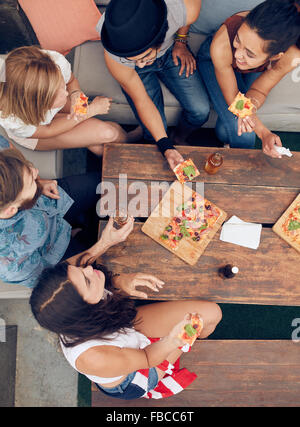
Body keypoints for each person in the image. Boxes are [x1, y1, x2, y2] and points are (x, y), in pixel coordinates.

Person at [29, 254, 222, 400]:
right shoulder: (94, 358)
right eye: (87, 280)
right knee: (206, 319)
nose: (88, 269)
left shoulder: (71, 294)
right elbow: (147, 358)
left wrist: (118, 281)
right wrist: (173, 341)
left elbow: (85, 268)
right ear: (82, 311)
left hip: (124, 328)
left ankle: (197, 335)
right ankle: (193, 339)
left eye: (80, 271)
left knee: (212, 314)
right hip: (135, 376)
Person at [0, 136, 134, 287]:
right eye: (30, 177)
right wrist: (104, 243)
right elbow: (52, 279)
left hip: (47, 198)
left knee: (112, 182)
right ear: (9, 211)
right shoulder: (8, 264)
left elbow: (8, 150)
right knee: (120, 265)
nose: (36, 170)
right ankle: (81, 234)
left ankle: (80, 230)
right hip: (56, 254)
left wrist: (37, 182)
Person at [97, 0, 210, 171]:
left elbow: (188, 17)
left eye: (145, 57)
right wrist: (166, 147)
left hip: (170, 52)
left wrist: (181, 41)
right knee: (154, 132)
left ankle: (178, 137)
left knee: (200, 111)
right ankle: (159, 138)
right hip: (130, 71)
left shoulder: (183, 9)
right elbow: (142, 100)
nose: (141, 64)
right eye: (135, 59)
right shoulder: (116, 58)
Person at [196, 0, 300, 157]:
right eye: (237, 39)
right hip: (216, 62)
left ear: (275, 56)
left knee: (232, 128)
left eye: (250, 53)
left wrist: (250, 109)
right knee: (244, 135)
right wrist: (263, 132)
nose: (237, 54)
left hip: (255, 68)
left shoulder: (291, 56)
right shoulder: (221, 45)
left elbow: (259, 90)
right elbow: (233, 96)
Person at [0, 46, 141, 156]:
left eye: (61, 85)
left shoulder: (51, 62)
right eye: (56, 94)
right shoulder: (13, 120)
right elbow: (49, 130)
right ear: (36, 102)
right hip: (39, 134)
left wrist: (76, 94)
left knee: (106, 135)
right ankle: (127, 143)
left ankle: (123, 141)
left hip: (44, 115)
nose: (65, 93)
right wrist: (90, 110)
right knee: (110, 133)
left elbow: (72, 82)